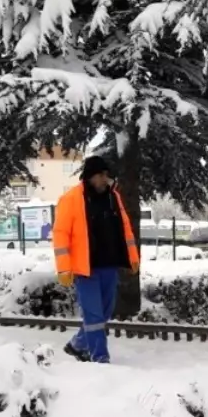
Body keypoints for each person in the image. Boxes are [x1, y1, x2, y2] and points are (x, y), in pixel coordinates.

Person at [53, 156, 139, 363]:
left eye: (106, 175)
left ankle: (77, 345)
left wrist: (133, 257)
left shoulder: (113, 197)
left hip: (109, 265)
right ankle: (100, 358)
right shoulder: (71, 199)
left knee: (104, 313)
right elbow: (60, 234)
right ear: (90, 176)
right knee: (93, 316)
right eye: (101, 175)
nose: (105, 179)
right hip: (85, 268)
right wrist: (64, 268)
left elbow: (125, 229)